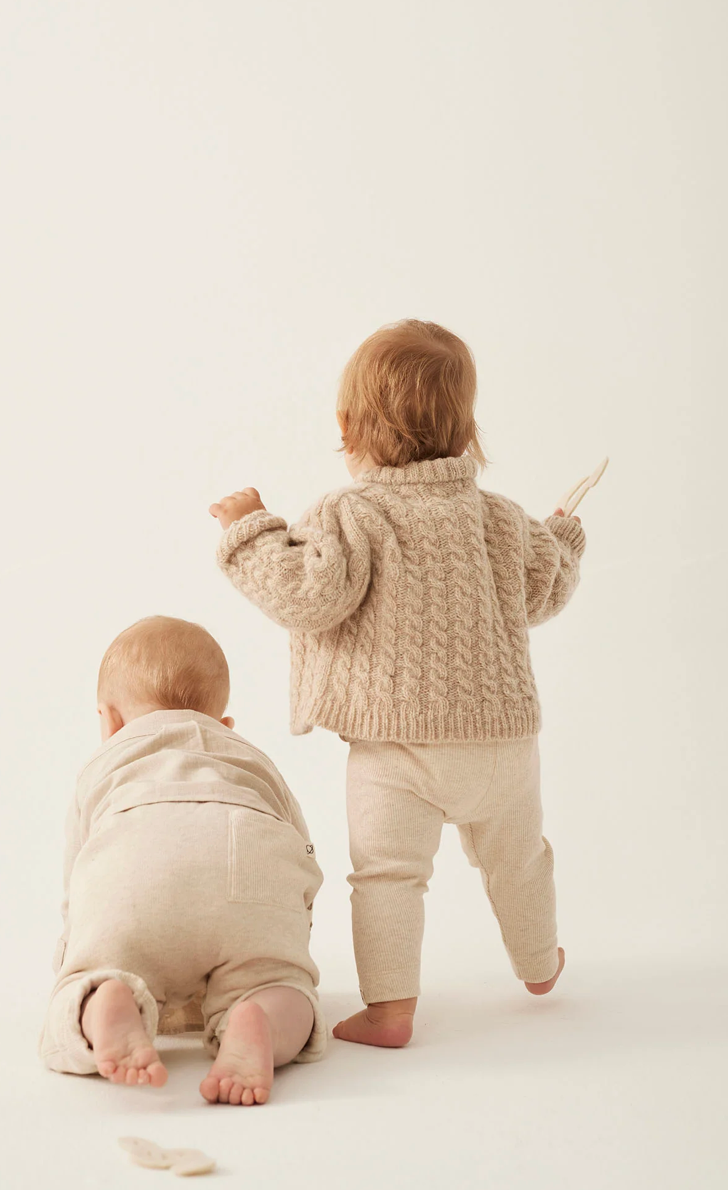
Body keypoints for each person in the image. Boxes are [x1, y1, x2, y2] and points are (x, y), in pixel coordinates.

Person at [210, 319, 585, 1048]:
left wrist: (252, 529)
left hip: (394, 750)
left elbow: (308, 595)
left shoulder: (353, 514)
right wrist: (562, 538)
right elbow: (544, 591)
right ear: (467, 430)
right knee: (519, 859)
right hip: (504, 745)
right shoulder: (501, 518)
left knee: (387, 877)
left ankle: (390, 1011)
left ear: (347, 426)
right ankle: (540, 965)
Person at [39, 615, 325, 1104]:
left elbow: (78, 880)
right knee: (281, 986)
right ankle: (259, 1013)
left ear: (110, 722)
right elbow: (301, 851)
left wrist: (79, 961)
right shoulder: (251, 758)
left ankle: (105, 998)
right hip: (248, 875)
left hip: (133, 882)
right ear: (224, 725)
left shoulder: (103, 765)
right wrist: (286, 942)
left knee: (90, 979)